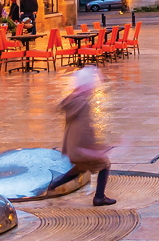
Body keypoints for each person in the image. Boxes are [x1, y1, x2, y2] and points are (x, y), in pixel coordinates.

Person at [46, 66, 115, 206]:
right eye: (91, 86)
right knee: (104, 163)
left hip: (72, 148)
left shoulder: (72, 100)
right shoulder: (83, 104)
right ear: (86, 86)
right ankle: (99, 197)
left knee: (80, 168)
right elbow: (85, 130)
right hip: (80, 149)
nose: (93, 90)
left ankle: (53, 185)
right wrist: (94, 148)